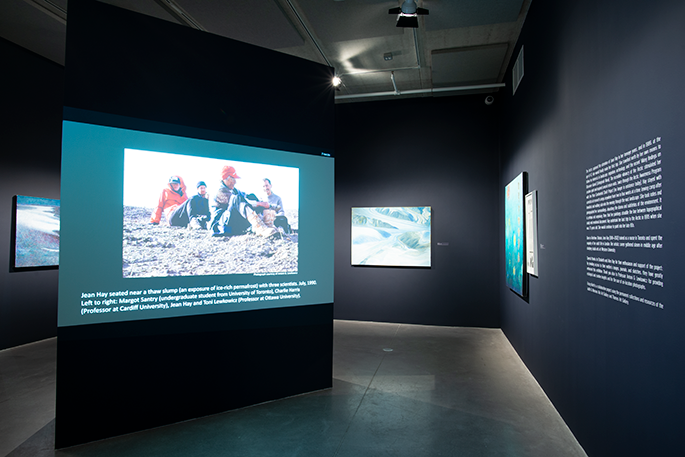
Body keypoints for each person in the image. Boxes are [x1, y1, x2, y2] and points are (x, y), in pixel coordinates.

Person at [210, 165, 276, 237]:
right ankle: (260, 228)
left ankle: (268, 225)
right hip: (221, 225)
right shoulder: (220, 191)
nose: (235, 182)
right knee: (237, 199)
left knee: (251, 196)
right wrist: (260, 203)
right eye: (233, 179)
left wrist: (264, 204)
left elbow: (246, 198)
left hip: (233, 223)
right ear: (225, 178)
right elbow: (237, 200)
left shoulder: (233, 190)